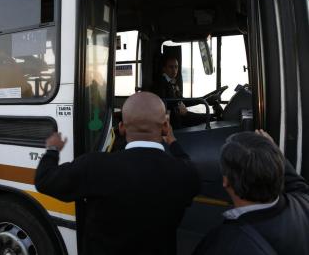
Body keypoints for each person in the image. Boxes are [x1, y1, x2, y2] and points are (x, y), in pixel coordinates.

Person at [35, 91, 200, 255]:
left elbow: (44, 179)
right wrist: (173, 142)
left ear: (121, 128)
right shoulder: (185, 173)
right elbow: (185, 160)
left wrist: (52, 150)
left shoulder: (95, 166)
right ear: (165, 127)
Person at [193, 130, 309, 255]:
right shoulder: (303, 202)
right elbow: (297, 185)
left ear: (226, 181)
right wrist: (271, 152)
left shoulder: (223, 244)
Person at [153, 56, 206, 128]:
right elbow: (162, 103)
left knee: (206, 117)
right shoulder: (160, 83)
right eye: (171, 67)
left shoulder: (173, 82)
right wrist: (178, 107)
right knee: (206, 118)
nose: (174, 70)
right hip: (172, 119)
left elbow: (182, 100)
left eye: (176, 67)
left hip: (178, 115)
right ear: (164, 68)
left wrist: (202, 99)